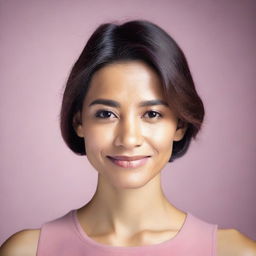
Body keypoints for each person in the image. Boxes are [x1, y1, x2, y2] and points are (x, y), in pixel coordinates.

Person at [0, 19, 255, 256]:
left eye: (152, 114)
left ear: (179, 125)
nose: (128, 138)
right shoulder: (26, 251)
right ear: (79, 122)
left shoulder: (234, 251)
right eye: (106, 114)